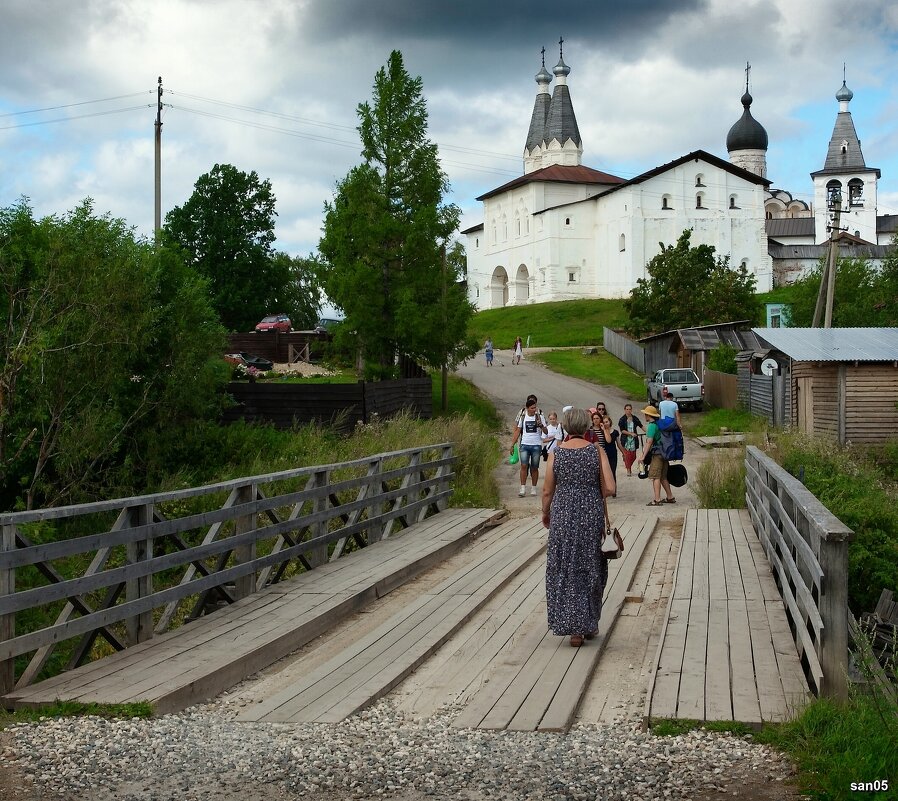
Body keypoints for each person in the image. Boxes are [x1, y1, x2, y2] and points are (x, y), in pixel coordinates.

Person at [542, 407, 616, 647]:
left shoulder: (556, 453)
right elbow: (610, 488)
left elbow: (547, 490)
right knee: (590, 565)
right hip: (590, 514)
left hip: (562, 515)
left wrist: (546, 513)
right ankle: (588, 623)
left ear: (564, 426)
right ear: (586, 427)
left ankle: (572, 627)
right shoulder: (596, 451)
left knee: (565, 565)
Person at [509, 394, 547, 497]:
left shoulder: (540, 415)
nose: (534, 409)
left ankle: (533, 488)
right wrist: (512, 444)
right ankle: (522, 488)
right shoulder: (523, 415)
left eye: (535, 407)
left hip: (536, 445)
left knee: (534, 467)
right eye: (532, 408)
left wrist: (541, 425)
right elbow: (517, 430)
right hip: (525, 444)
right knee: (524, 465)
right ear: (527, 408)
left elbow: (546, 431)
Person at [640, 405, 676, 506]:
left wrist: (643, 456)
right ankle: (670, 497)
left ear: (648, 415)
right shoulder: (659, 424)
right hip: (665, 453)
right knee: (663, 477)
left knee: (655, 476)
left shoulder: (652, 426)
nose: (644, 416)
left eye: (645, 414)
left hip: (657, 454)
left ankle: (657, 500)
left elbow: (649, 442)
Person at [618, 404, 645, 477]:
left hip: (633, 441)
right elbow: (622, 430)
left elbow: (641, 425)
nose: (628, 411)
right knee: (628, 456)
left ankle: (627, 463)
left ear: (631, 410)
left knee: (633, 456)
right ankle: (628, 469)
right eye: (627, 409)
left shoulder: (634, 418)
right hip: (626, 440)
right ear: (624, 410)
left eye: (629, 409)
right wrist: (630, 433)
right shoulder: (622, 419)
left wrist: (648, 432)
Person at [600, 414, 625, 485]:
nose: (605, 424)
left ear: (610, 422)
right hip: (604, 453)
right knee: (605, 472)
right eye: (604, 422)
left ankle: (613, 488)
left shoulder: (615, 432)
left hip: (613, 454)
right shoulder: (601, 432)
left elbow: (619, 444)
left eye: (606, 422)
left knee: (612, 471)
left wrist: (623, 453)